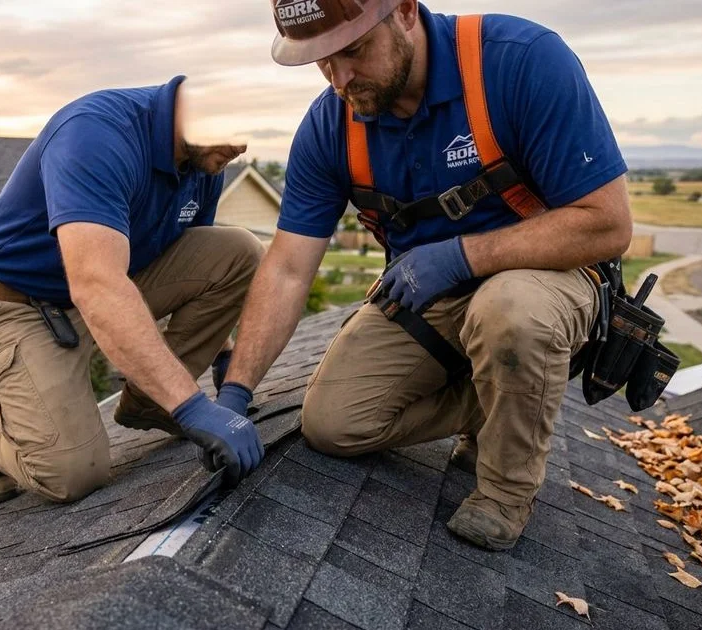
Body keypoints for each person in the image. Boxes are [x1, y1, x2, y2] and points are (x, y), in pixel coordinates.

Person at [220, 0, 632, 550]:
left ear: (406, 12)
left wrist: (462, 256)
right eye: (321, 62)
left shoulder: (520, 62)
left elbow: (606, 225)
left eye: (353, 50)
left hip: (545, 278)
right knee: (333, 425)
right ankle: (501, 391)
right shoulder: (331, 127)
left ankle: (504, 494)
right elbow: (290, 268)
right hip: (432, 296)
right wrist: (234, 393)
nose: (339, 78)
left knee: (509, 313)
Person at [0, 76, 265, 505]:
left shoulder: (203, 162)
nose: (241, 149)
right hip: (24, 303)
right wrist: (193, 408)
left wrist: (221, 349)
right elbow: (97, 285)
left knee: (240, 250)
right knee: (72, 473)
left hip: (112, 283)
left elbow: (189, 261)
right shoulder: (95, 133)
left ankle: (152, 403)